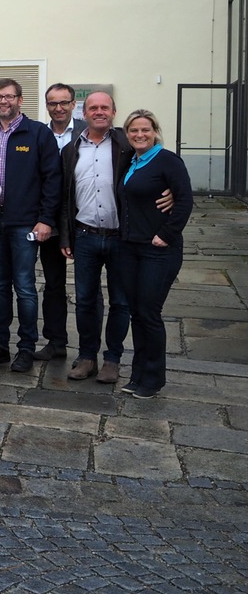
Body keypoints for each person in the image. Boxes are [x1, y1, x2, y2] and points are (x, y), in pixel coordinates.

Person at [0, 78, 61, 373]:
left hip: (24, 222)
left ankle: (25, 348)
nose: (4, 101)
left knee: (24, 286)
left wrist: (46, 218)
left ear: (20, 100)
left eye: (9, 97)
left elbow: (52, 179)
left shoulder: (37, 133)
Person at [117, 110, 193, 399]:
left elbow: (185, 201)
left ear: (155, 131)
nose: (139, 135)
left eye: (145, 130)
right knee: (136, 313)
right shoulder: (130, 161)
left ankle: (153, 378)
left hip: (158, 251)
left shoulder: (168, 161)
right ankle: (137, 375)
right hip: (129, 248)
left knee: (149, 313)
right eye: (133, 130)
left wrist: (166, 235)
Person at [58, 91, 132, 384]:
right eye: (93, 108)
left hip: (121, 238)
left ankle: (112, 359)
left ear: (113, 112)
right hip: (86, 235)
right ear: (83, 112)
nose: (99, 112)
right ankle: (87, 356)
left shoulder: (127, 145)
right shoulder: (72, 149)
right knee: (86, 299)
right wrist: (66, 235)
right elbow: (65, 197)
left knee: (121, 302)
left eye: (104, 107)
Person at [34, 82, 82, 361]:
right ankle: (56, 342)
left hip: (81, 220)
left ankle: (90, 349)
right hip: (47, 219)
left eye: (64, 102)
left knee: (88, 288)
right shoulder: (40, 134)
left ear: (73, 104)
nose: (59, 108)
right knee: (53, 284)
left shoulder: (89, 133)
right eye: (53, 103)